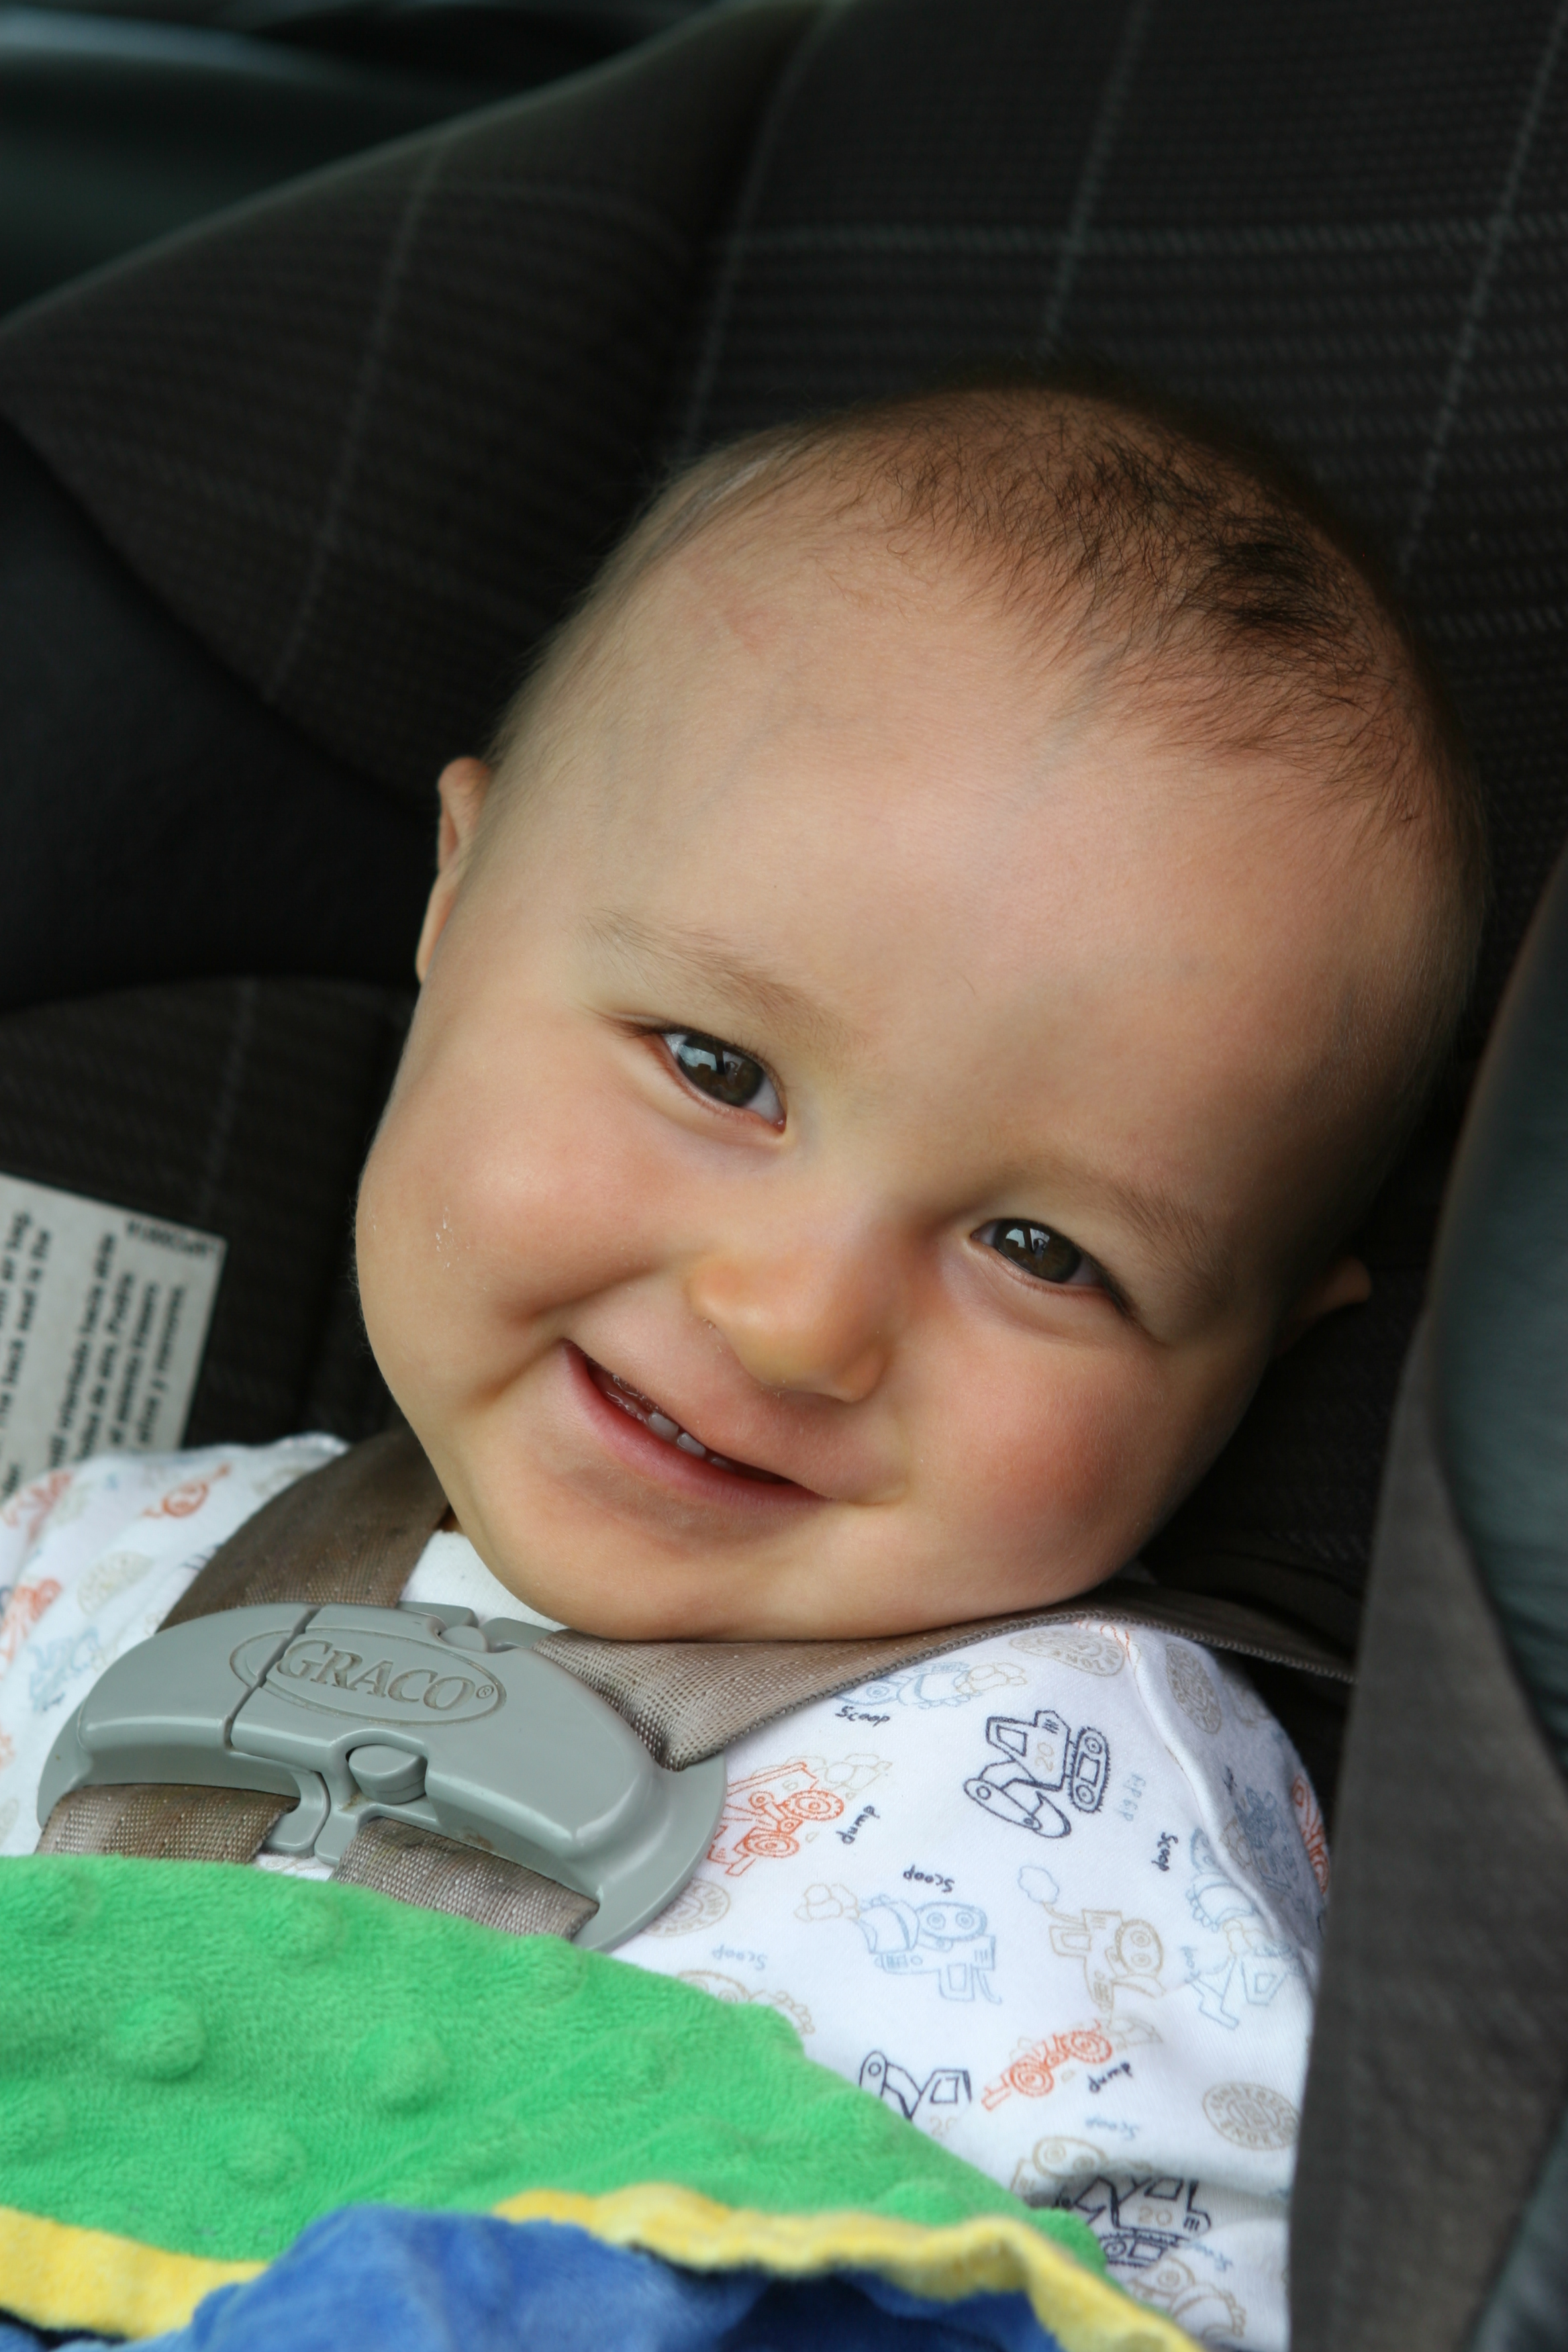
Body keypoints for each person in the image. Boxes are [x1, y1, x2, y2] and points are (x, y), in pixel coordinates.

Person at [0, 372, 1486, 2351]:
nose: (797, 1318)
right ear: (455, 896)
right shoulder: (79, 1557)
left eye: (1041, 1252)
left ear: (1254, 1354)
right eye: (718, 1069)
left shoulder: (1091, 1787)